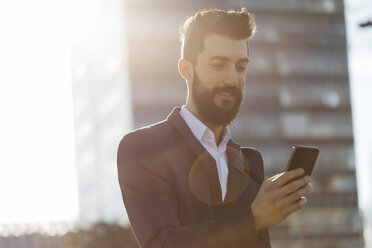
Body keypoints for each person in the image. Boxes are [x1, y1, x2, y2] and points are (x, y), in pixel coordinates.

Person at [117, 8, 312, 248]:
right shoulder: (142, 148)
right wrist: (253, 218)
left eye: (241, 67)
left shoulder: (251, 162)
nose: (232, 79)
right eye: (218, 65)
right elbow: (163, 244)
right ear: (186, 70)